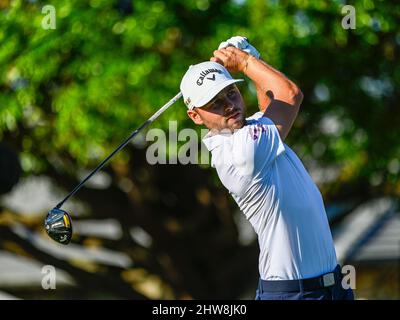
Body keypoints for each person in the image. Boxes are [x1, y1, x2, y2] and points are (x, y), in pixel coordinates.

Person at [179, 36, 354, 300]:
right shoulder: (242, 152)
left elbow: (268, 105)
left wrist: (252, 57)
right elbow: (289, 95)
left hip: (332, 288)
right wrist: (245, 61)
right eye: (215, 102)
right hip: (295, 295)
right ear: (196, 116)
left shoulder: (248, 132)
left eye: (231, 92)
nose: (229, 104)